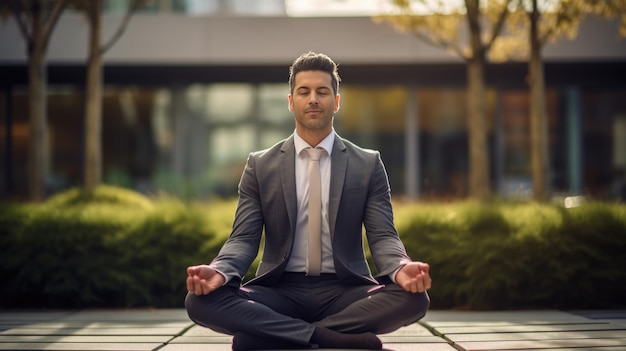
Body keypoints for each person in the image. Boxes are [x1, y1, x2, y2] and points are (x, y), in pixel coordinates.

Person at [185, 51, 431, 351]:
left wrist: (401, 267)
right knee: (199, 301)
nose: (313, 99)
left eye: (322, 92)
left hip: (346, 291)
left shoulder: (367, 164)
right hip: (279, 291)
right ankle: (330, 339)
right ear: (291, 102)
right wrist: (219, 270)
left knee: (415, 298)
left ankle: (273, 337)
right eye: (304, 91)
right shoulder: (260, 166)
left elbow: (383, 236)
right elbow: (243, 239)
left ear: (336, 102)